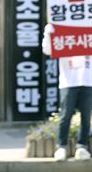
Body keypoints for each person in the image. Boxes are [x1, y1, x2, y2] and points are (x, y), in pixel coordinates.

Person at [42, 24, 92, 161]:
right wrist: (49, 34)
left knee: (86, 116)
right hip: (68, 79)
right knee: (65, 114)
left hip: (88, 78)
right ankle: (61, 146)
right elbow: (47, 50)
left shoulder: (88, 23)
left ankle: (82, 146)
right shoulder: (59, 26)